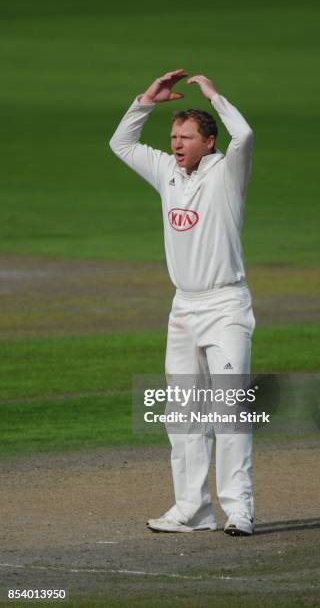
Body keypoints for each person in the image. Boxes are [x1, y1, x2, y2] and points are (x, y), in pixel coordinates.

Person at [109, 69, 256, 536]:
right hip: (184, 308)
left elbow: (246, 133)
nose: (176, 144)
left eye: (186, 136)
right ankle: (194, 509)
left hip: (226, 306)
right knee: (183, 415)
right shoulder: (167, 173)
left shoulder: (227, 173)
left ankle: (240, 510)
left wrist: (216, 96)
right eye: (173, 136)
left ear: (208, 142)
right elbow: (122, 145)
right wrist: (144, 102)